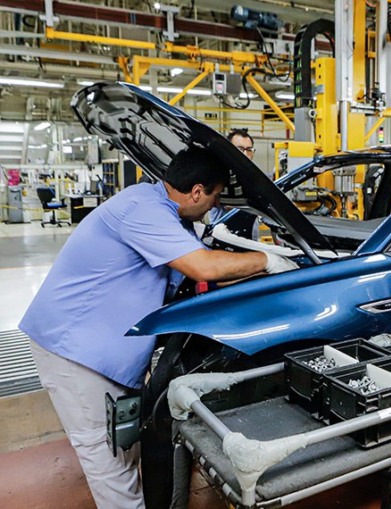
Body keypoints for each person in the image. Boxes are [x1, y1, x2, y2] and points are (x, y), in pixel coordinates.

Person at [18, 145, 297, 509]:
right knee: (109, 466)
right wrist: (265, 259)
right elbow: (204, 268)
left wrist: (264, 271)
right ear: (196, 192)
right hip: (74, 352)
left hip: (103, 349)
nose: (214, 207)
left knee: (124, 450)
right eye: (213, 198)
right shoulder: (143, 210)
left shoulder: (164, 212)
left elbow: (202, 280)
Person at [208, 128, 263, 239]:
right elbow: (231, 205)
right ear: (229, 150)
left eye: (249, 149)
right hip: (225, 240)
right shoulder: (221, 174)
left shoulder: (251, 176)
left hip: (250, 240)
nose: (245, 154)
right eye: (240, 149)